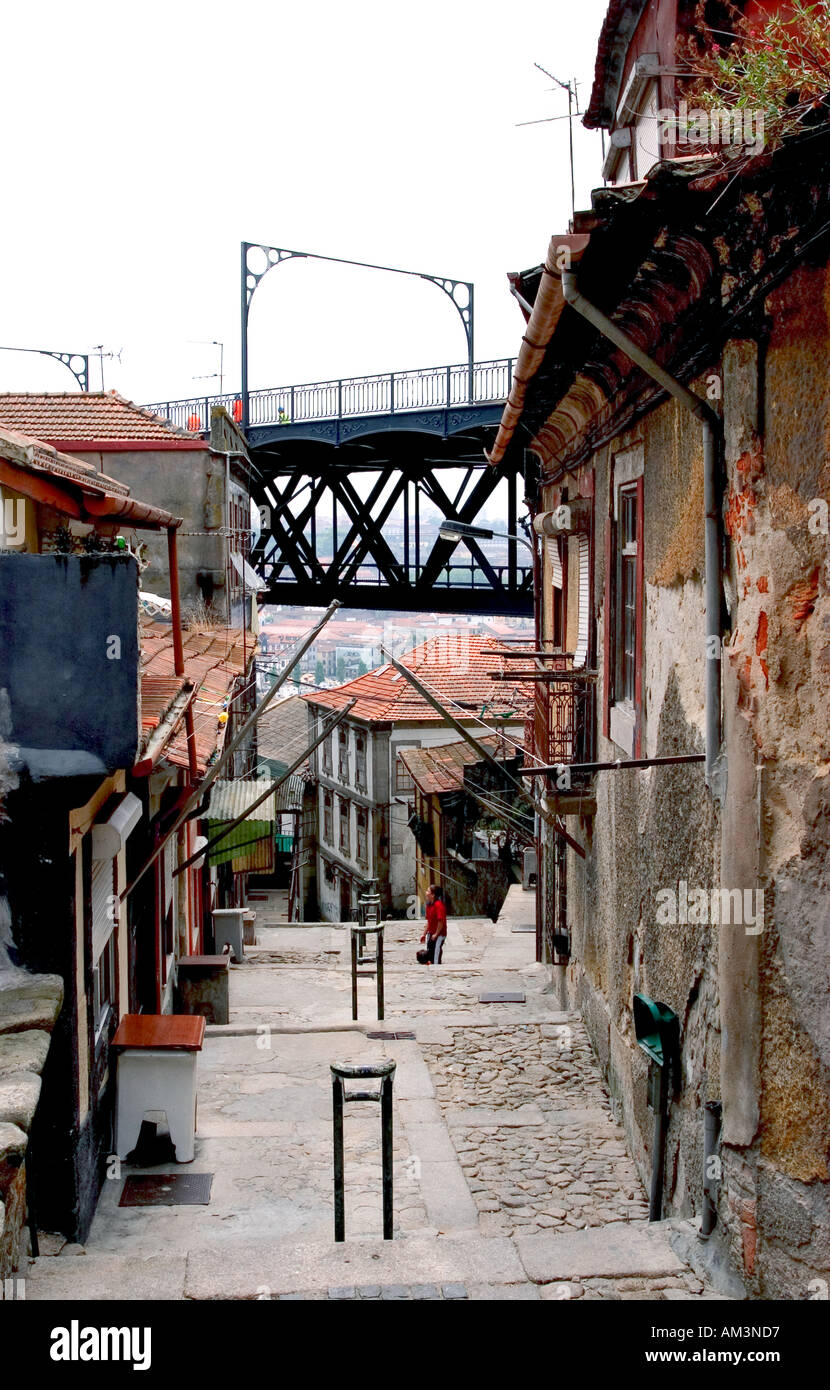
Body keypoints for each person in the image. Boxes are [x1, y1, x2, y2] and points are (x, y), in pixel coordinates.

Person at [420, 883, 447, 965]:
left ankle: (436, 966)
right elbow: (429, 921)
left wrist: (436, 934)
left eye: (428, 891)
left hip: (439, 934)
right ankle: (431, 963)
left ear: (433, 895)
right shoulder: (428, 905)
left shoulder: (438, 906)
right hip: (431, 933)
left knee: (436, 951)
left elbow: (440, 921)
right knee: (430, 950)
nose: (426, 892)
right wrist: (424, 934)